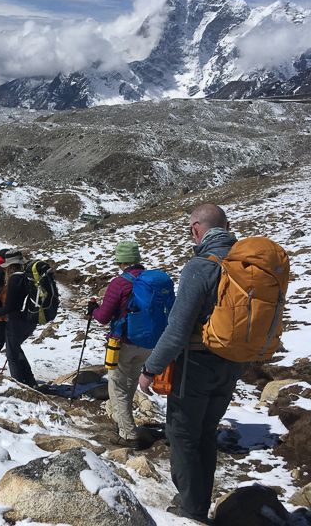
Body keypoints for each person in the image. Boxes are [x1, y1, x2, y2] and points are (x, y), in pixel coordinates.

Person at [138, 204, 240, 525]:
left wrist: (150, 369)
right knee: (206, 433)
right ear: (227, 226)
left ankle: (191, 513)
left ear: (196, 229)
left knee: (182, 435)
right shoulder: (244, 264)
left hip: (196, 366)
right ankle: (194, 499)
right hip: (232, 364)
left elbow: (178, 329)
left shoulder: (200, 266)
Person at [86, 241, 150, 447]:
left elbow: (103, 317)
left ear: (120, 261)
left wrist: (93, 309)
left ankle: (128, 435)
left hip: (124, 342)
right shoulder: (152, 280)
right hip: (149, 343)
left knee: (116, 385)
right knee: (130, 382)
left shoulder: (119, 283)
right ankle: (125, 420)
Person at [0, 253, 38, 388]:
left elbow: (8, 307)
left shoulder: (13, 279)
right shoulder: (29, 276)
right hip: (32, 319)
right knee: (15, 348)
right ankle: (29, 380)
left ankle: (19, 387)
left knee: (11, 355)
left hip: (15, 320)